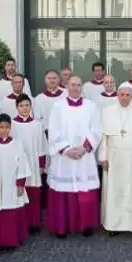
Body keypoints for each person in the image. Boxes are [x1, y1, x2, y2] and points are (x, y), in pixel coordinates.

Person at [46, 76, 102, 238]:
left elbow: (97, 130)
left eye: (78, 85)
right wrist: (66, 149)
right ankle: (62, 227)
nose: (76, 88)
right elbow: (54, 130)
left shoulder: (91, 106)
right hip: (64, 157)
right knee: (64, 192)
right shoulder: (58, 106)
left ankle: (86, 225)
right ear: (67, 86)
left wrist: (85, 148)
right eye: (73, 85)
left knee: (85, 191)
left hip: (84, 155)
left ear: (82, 87)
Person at [99, 86, 132, 235]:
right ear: (117, 95)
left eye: (127, 95)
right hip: (114, 158)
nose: (124, 97)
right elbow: (104, 137)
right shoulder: (108, 111)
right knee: (115, 192)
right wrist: (103, 157)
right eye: (122, 95)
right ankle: (113, 225)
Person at [0, 114, 31, 251]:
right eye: (1, 127)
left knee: (13, 211)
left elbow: (22, 163)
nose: (4, 130)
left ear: (10, 128)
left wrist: (21, 183)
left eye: (7, 127)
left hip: (13, 184)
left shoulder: (17, 144)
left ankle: (14, 238)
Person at [11, 95, 48, 233]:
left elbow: (42, 146)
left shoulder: (37, 124)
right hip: (17, 165)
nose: (24, 108)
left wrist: (41, 165)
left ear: (31, 106)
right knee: (19, 192)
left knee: (34, 192)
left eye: (27, 105)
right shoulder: (12, 125)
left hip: (33, 163)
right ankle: (21, 223)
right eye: (21, 106)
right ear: (17, 107)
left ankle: (34, 223)